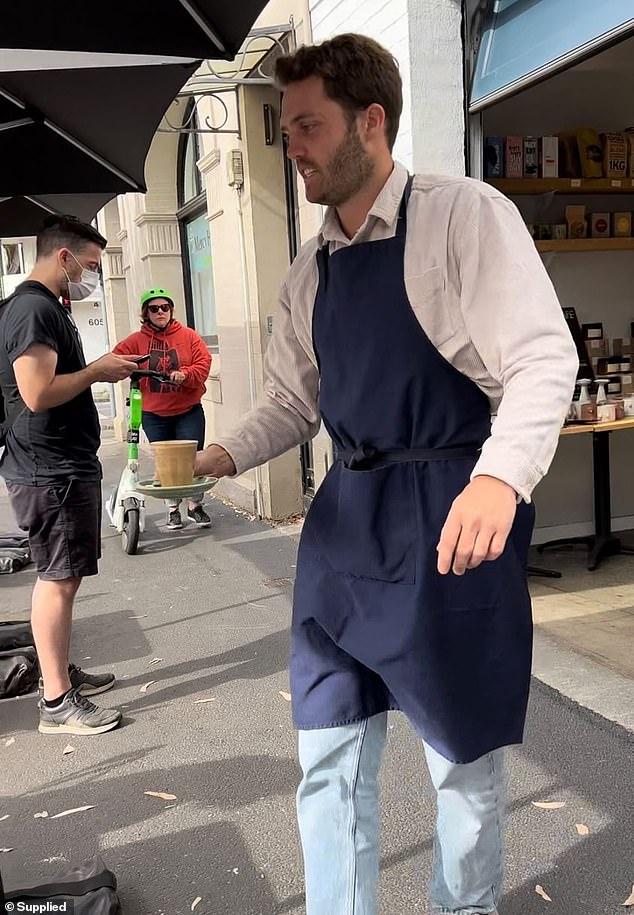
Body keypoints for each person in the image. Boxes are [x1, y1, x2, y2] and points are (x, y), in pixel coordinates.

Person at [195, 34, 578, 915]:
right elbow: (292, 405)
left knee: (461, 760)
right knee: (326, 752)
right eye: (287, 129)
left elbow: (540, 359)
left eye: (307, 126)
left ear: (371, 121)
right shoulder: (310, 269)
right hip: (344, 528)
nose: (292, 145)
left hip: (450, 515)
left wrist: (500, 479)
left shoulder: (462, 215)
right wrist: (222, 456)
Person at [0, 215, 141, 736]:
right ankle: (57, 701)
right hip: (49, 467)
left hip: (54, 464)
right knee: (58, 578)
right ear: (64, 257)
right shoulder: (34, 308)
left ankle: (58, 672)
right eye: (91, 265)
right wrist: (97, 371)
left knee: (65, 575)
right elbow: (37, 393)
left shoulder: (37, 307)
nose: (93, 276)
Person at [113, 288, 212, 530]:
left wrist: (186, 374)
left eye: (164, 308)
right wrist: (127, 368)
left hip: (187, 409)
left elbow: (204, 362)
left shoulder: (188, 336)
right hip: (154, 413)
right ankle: (172, 510)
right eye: (154, 308)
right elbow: (115, 359)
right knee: (165, 463)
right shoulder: (136, 341)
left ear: (171, 311)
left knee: (192, 459)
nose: (160, 312)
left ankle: (194, 506)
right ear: (145, 313)